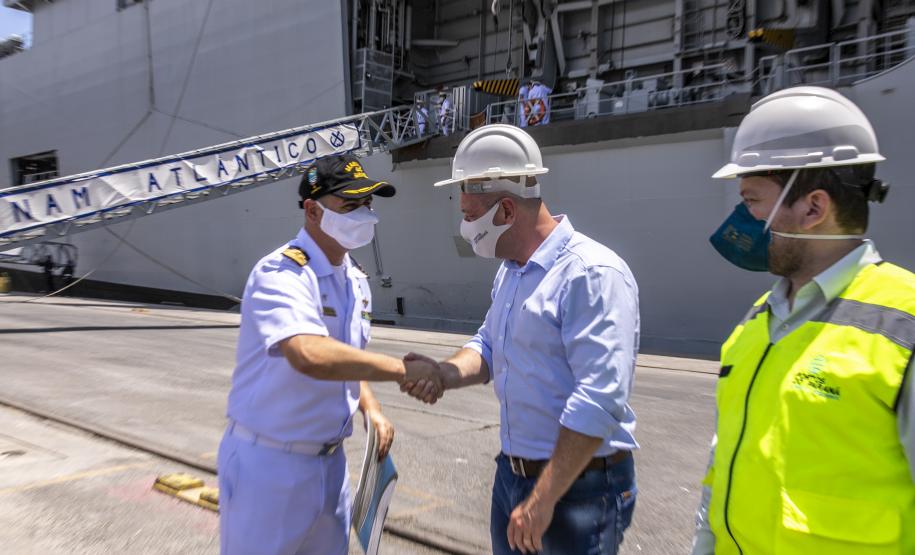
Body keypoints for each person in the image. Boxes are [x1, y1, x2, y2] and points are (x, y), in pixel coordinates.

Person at [694, 86, 915, 554]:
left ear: (814, 208)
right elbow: (723, 466)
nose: (741, 219)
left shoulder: (905, 324)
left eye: (753, 201)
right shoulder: (756, 324)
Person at [404, 124, 641, 554]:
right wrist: (443, 372)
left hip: (576, 488)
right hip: (514, 476)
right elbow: (489, 346)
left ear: (507, 211)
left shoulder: (591, 274)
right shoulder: (512, 271)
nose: (464, 225)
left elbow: (599, 397)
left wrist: (543, 498)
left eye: (471, 214)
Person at [217, 154, 440, 555]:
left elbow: (347, 359)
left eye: (368, 205)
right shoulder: (281, 274)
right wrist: (402, 370)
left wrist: (370, 408)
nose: (365, 215)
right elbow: (309, 354)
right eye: (350, 206)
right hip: (269, 465)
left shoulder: (354, 280)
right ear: (313, 211)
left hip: (331, 464)